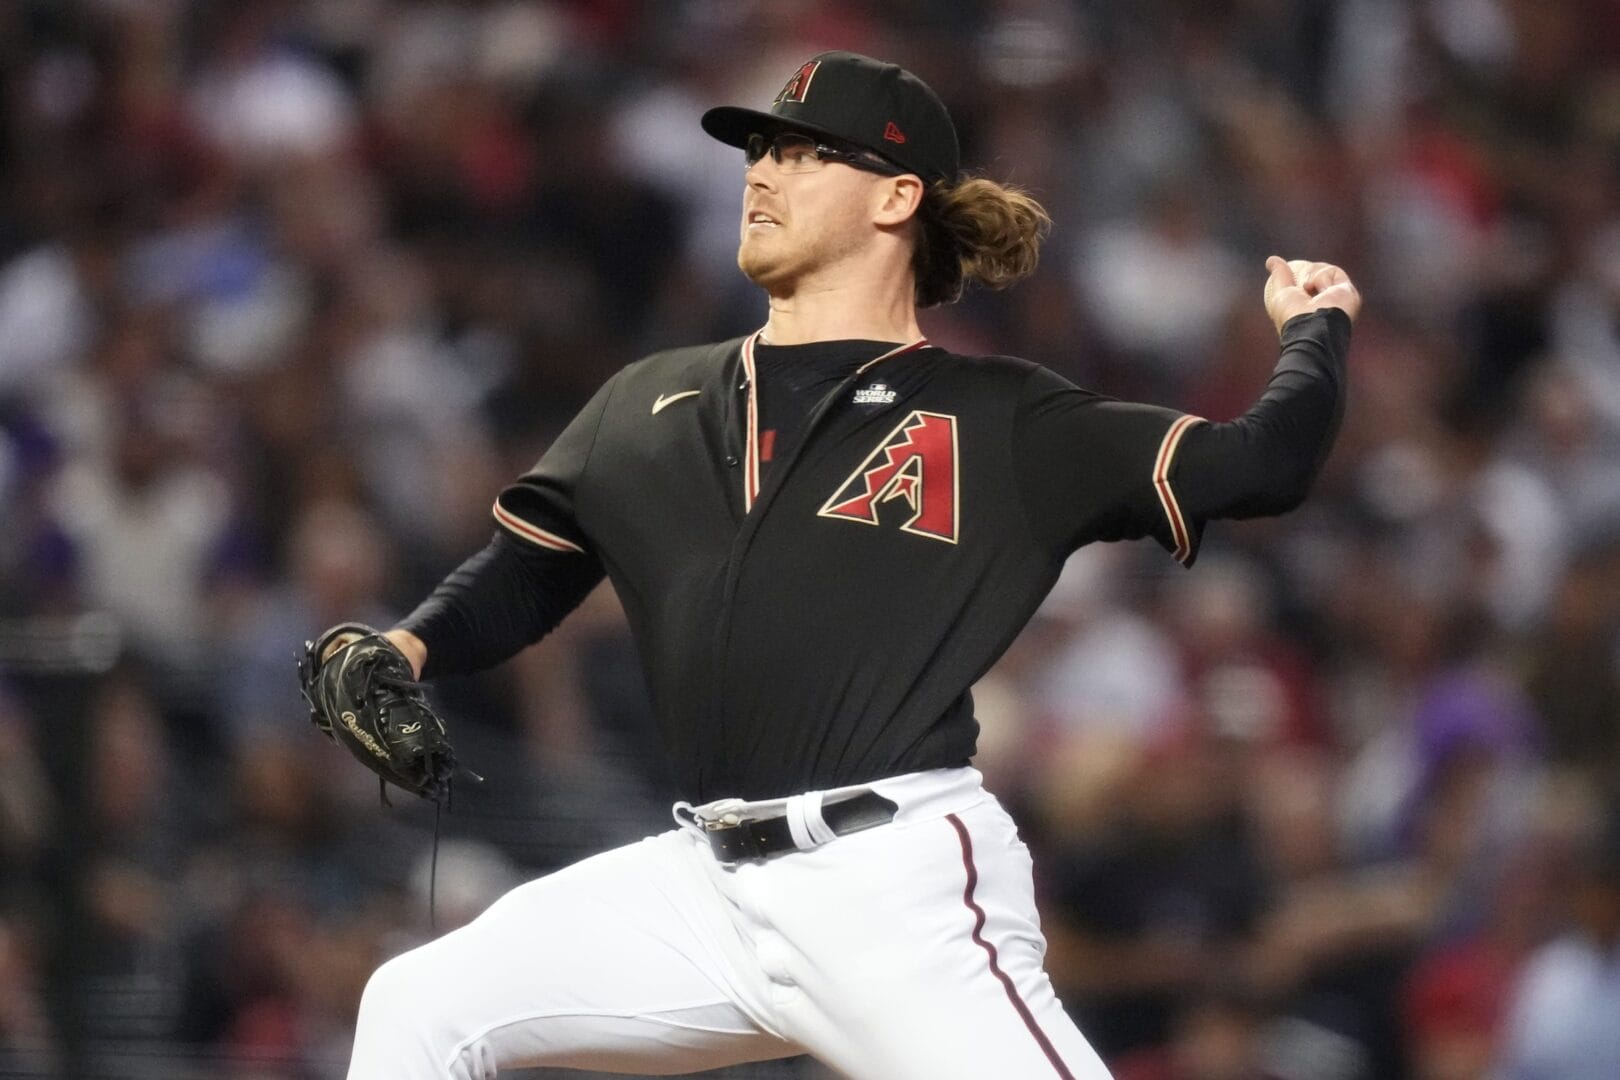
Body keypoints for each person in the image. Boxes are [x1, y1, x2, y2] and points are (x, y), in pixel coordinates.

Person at [336, 51, 1359, 1079]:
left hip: (893, 880)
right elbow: (528, 571)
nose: (762, 173)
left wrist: (1313, 334)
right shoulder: (650, 401)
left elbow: (1259, 467)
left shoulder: (1000, 417)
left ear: (898, 196)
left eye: (804, 153)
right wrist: (407, 646)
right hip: (702, 886)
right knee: (417, 1003)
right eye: (758, 150)